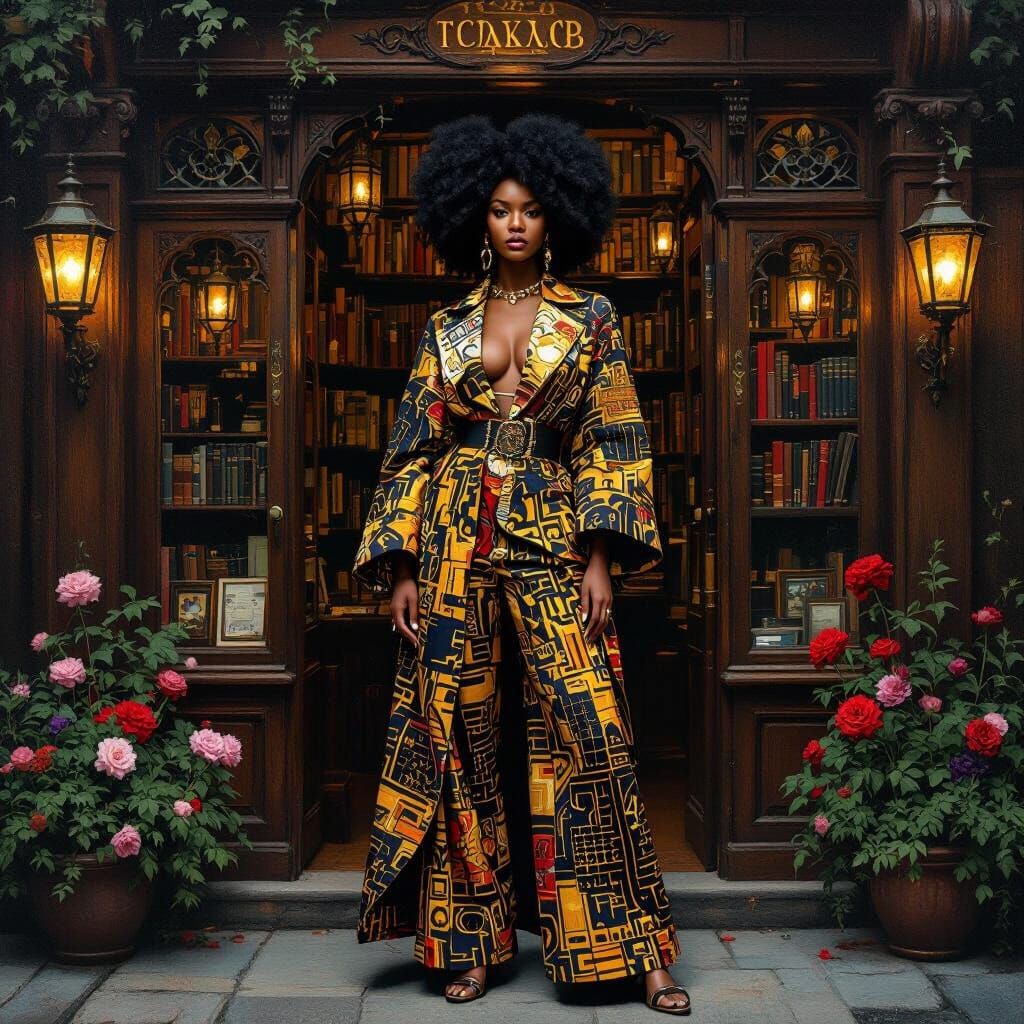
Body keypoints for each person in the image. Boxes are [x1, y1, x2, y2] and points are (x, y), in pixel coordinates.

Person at [350, 112, 691, 1016]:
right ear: (475, 214)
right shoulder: (448, 326)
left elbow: (614, 437)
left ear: (556, 219)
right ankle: (468, 940)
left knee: (593, 730)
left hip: (550, 534)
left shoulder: (593, 319)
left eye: (531, 210)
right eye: (499, 208)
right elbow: (411, 450)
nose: (513, 224)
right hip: (453, 541)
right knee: (458, 736)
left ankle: (638, 945)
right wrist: (401, 569)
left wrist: (602, 556)